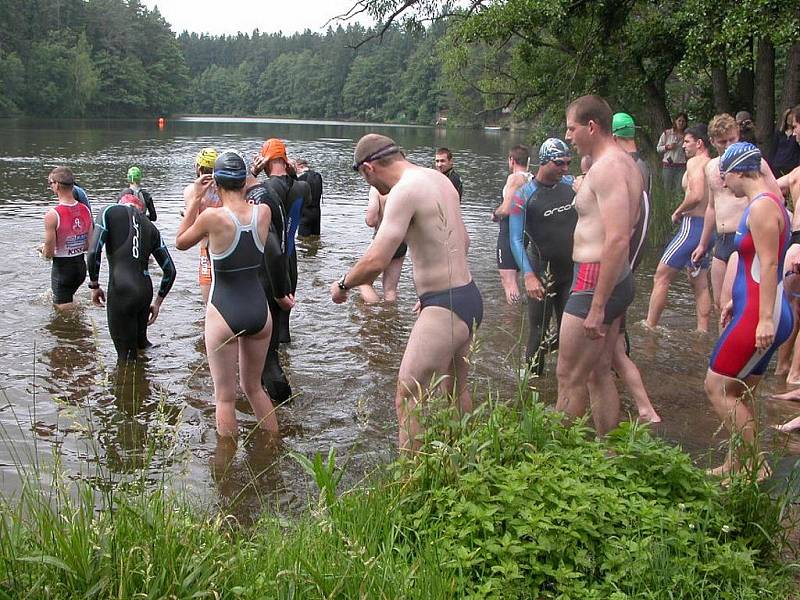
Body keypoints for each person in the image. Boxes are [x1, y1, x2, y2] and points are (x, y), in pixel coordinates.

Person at [332, 134, 481, 451]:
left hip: (445, 306)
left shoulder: (404, 191)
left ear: (369, 169)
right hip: (468, 295)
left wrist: (344, 284)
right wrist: (428, 293)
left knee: (407, 395)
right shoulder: (439, 180)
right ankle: (466, 462)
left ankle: (411, 485)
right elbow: (463, 241)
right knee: (456, 389)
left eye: (363, 178)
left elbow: (377, 259)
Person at [704, 142, 793, 478]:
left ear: (741, 170)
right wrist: (733, 301)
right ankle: (737, 463)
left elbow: (770, 265)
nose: (725, 184)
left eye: (727, 176)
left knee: (716, 387)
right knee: (740, 392)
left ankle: (756, 467)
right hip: (754, 308)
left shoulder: (762, 208)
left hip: (760, 315)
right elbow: (754, 264)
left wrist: (764, 319)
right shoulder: (767, 203)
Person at [554, 95, 642, 436]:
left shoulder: (607, 169)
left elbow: (619, 238)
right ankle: (607, 451)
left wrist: (598, 305)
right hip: (612, 276)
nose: (568, 136)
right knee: (598, 370)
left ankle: (556, 459)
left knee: (569, 376)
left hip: (594, 278)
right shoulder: (624, 163)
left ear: (592, 127)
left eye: (572, 128)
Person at [176, 150, 279, 437]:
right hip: (259, 311)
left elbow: (181, 242)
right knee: (254, 387)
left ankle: (226, 471)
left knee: (225, 397)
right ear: (244, 182)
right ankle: (273, 448)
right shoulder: (264, 212)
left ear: (216, 184)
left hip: (224, 310)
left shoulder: (212, 217)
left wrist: (196, 198)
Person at [691, 114, 782, 311]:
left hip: (746, 237)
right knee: (719, 305)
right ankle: (721, 341)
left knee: (736, 302)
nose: (728, 145)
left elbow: (777, 199)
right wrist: (702, 243)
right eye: (722, 142)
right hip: (721, 239)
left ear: (738, 135)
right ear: (713, 142)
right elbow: (712, 208)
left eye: (732, 139)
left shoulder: (754, 162)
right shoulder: (711, 167)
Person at [508, 138, 575, 372]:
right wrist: (528, 275)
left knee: (572, 332)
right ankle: (532, 389)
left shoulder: (571, 185)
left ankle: (565, 386)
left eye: (568, 163)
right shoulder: (523, 195)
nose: (565, 168)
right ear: (544, 162)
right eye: (559, 163)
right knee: (538, 331)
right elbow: (515, 239)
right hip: (541, 270)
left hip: (571, 272)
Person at [610, 113, 660, 423]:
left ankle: (644, 408)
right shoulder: (643, 165)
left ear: (613, 137)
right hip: (630, 262)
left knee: (612, 341)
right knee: (614, 336)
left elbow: (625, 228)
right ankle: (635, 404)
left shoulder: (627, 169)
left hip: (621, 265)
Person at [86, 195, 176, 361]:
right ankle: (153, 374)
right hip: (145, 291)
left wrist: (94, 285)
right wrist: (157, 304)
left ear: (120, 202)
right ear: (141, 209)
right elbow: (170, 270)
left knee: (126, 359)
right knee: (142, 344)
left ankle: (128, 384)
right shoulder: (151, 226)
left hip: (122, 289)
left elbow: (93, 252)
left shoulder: (109, 211)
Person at [645, 124, 713, 332]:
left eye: (687, 142)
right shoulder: (713, 164)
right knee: (699, 282)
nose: (683, 146)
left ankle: (649, 326)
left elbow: (697, 195)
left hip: (692, 227)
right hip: (708, 229)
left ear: (699, 143)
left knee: (661, 276)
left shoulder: (695, 163)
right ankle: (702, 332)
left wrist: (678, 211)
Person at [244, 153, 295, 403]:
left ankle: (287, 410)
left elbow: (272, 247)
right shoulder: (266, 192)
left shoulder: (256, 199)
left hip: (264, 287)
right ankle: (282, 420)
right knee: (264, 358)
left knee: (267, 360)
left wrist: (278, 293)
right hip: (273, 281)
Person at [252, 138, 311, 345]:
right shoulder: (303, 187)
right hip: (290, 260)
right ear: (285, 160)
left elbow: (238, 202)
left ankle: (274, 367)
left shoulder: (263, 188)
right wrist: (292, 172)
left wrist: (253, 174)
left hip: (269, 262)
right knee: (284, 324)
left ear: (265, 162)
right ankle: (286, 360)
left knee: (267, 324)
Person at [40, 166, 93, 309]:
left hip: (63, 271)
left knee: (63, 314)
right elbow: (89, 245)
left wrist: (43, 250)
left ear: (57, 185)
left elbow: (49, 254)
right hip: (81, 268)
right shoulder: (86, 210)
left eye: (50, 184)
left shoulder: (52, 215)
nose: (51, 187)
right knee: (70, 305)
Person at [493, 145, 532, 305]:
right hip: (524, 229)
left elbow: (507, 208)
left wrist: (495, 214)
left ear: (512, 160)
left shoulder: (515, 178)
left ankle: (511, 319)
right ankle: (517, 317)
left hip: (509, 231)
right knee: (514, 277)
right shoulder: (531, 178)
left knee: (508, 280)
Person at [184, 147, 220, 306]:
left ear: (198, 167)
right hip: (225, 245)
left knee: (208, 304)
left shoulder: (191, 190)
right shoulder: (224, 188)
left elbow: (193, 226)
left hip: (206, 250)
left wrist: (186, 214)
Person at [359, 186, 406, 303]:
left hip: (382, 241)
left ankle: (374, 317)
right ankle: (389, 317)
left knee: (363, 282)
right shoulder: (406, 187)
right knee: (390, 290)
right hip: (401, 242)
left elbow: (371, 220)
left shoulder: (376, 189)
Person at [656, 112, 688, 197]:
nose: (681, 123)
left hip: (681, 166)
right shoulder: (667, 133)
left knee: (679, 190)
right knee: (667, 190)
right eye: (679, 121)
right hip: (668, 165)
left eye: (683, 121)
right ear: (675, 121)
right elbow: (658, 148)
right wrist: (667, 147)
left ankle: (677, 208)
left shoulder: (687, 136)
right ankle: (666, 208)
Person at [768, 108, 800, 178]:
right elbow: (773, 150)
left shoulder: (796, 135)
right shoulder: (779, 134)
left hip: (791, 167)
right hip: (777, 166)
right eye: (788, 117)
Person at [295, 158, 323, 237]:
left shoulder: (300, 178)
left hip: (305, 214)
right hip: (317, 213)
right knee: (315, 238)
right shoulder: (318, 176)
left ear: (300, 166)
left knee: (302, 240)